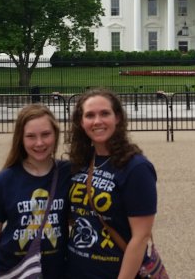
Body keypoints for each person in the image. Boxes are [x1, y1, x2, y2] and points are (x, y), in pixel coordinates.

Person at [66, 88, 158, 278]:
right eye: (90, 115)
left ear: (117, 118)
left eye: (104, 113)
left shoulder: (136, 167)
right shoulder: (81, 161)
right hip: (75, 269)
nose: (97, 121)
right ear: (81, 123)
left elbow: (140, 237)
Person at [0, 104, 71, 279]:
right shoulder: (3, 181)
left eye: (46, 134)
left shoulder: (68, 173)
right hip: (15, 269)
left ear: (55, 135)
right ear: (20, 138)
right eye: (31, 136)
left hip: (56, 270)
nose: (39, 143)